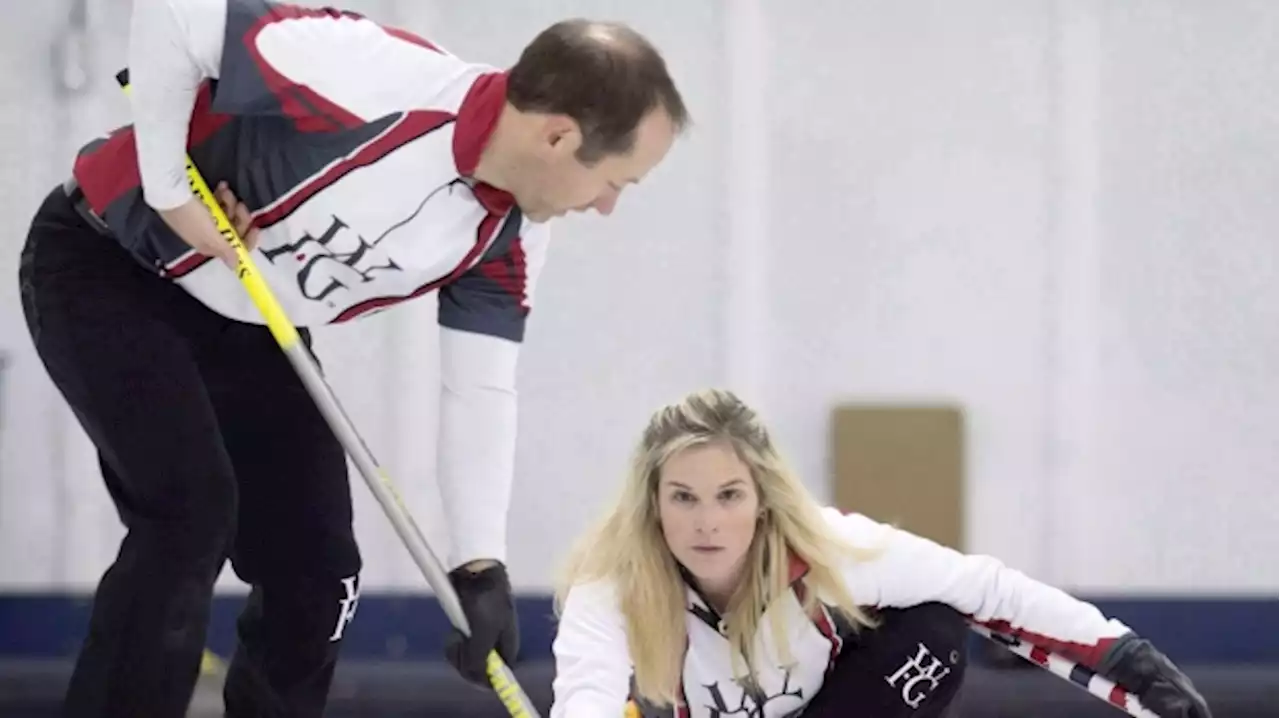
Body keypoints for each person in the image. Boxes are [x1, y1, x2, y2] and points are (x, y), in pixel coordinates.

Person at [16, 0, 688, 716]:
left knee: (320, 571)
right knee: (189, 515)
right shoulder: (372, 75)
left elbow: (480, 389)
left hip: (243, 316)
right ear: (559, 136)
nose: (608, 205)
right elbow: (176, 16)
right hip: (106, 264)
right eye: (617, 180)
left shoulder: (512, 232)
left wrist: (479, 563)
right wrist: (171, 190)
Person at [549, 389, 1211, 718]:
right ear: (652, 503)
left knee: (934, 623)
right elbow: (587, 694)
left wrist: (1133, 666)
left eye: (728, 495)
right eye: (683, 498)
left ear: (763, 497)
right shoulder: (611, 581)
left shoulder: (833, 547)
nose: (708, 524)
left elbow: (990, 592)